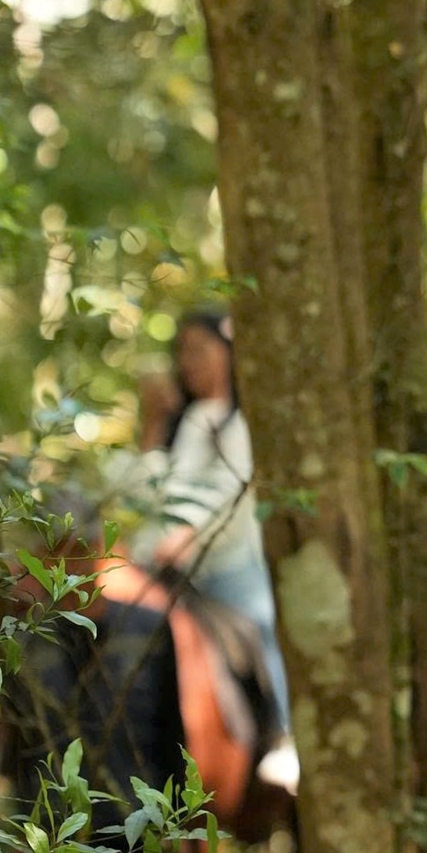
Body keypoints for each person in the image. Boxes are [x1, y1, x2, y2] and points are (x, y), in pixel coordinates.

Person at [130, 307, 292, 751]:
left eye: (200, 349)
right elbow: (150, 493)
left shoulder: (244, 423)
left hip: (227, 568)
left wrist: (187, 534)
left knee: (264, 623)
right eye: (182, 351)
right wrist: (153, 427)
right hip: (169, 568)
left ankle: (283, 733)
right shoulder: (191, 421)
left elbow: (226, 493)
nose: (188, 361)